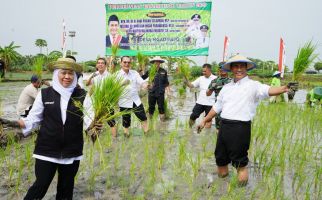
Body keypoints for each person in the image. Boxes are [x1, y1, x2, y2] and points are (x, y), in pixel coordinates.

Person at [0, 57, 100, 199]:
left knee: (66, 189)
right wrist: (9, 122)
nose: (67, 76)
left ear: (75, 76)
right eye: (63, 72)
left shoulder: (83, 96)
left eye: (71, 73)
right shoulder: (45, 94)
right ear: (56, 73)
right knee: (40, 185)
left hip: (72, 150)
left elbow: (89, 122)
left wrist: (95, 128)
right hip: (46, 149)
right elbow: (33, 119)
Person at [197, 54, 291, 185]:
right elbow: (217, 107)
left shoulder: (254, 85)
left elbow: (269, 90)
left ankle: (241, 193)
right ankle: (222, 189)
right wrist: (204, 120)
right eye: (236, 66)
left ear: (246, 68)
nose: (239, 69)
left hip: (240, 128)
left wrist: (284, 88)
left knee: (239, 163)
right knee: (220, 159)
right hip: (224, 126)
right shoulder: (226, 87)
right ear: (231, 69)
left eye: (242, 66)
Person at [85, 57, 118, 137]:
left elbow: (114, 90)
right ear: (96, 65)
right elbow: (88, 85)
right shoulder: (94, 74)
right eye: (98, 63)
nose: (100, 64)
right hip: (96, 102)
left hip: (106, 102)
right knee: (94, 120)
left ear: (105, 65)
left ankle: (115, 140)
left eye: (102, 63)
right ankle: (93, 138)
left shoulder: (109, 76)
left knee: (111, 121)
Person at [117, 56, 148, 136]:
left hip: (135, 100)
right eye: (125, 62)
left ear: (130, 63)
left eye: (128, 62)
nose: (127, 64)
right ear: (121, 63)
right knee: (126, 122)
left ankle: (147, 134)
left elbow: (142, 82)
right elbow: (113, 88)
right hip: (124, 102)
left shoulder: (134, 73)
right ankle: (126, 137)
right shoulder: (117, 75)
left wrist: (145, 85)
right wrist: (121, 84)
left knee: (143, 118)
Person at [184, 63, 217, 128]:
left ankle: (206, 136)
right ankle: (190, 130)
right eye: (203, 71)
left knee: (208, 120)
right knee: (193, 116)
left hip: (210, 103)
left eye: (205, 71)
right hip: (200, 102)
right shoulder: (201, 78)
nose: (203, 72)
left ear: (210, 70)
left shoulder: (216, 78)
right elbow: (192, 86)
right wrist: (186, 82)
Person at [141, 56, 170, 121]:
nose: (157, 63)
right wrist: (140, 70)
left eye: (158, 62)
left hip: (160, 93)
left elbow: (166, 83)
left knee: (161, 108)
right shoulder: (149, 71)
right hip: (152, 92)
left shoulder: (163, 71)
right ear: (153, 63)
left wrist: (168, 91)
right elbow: (142, 78)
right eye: (155, 62)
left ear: (160, 63)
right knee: (151, 108)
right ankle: (150, 122)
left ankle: (162, 123)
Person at [206, 64, 231, 130]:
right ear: (219, 70)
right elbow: (208, 94)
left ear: (228, 69)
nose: (223, 70)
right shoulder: (214, 81)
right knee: (218, 128)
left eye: (224, 68)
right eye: (221, 68)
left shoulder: (233, 81)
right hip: (218, 107)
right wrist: (210, 88)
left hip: (230, 107)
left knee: (230, 127)